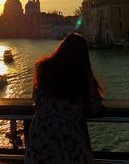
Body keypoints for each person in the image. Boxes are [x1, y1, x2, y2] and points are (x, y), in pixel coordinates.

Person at [25, 32, 104, 164]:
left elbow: (36, 98)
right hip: (66, 142)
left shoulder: (42, 68)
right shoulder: (82, 77)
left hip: (38, 141)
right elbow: (95, 107)